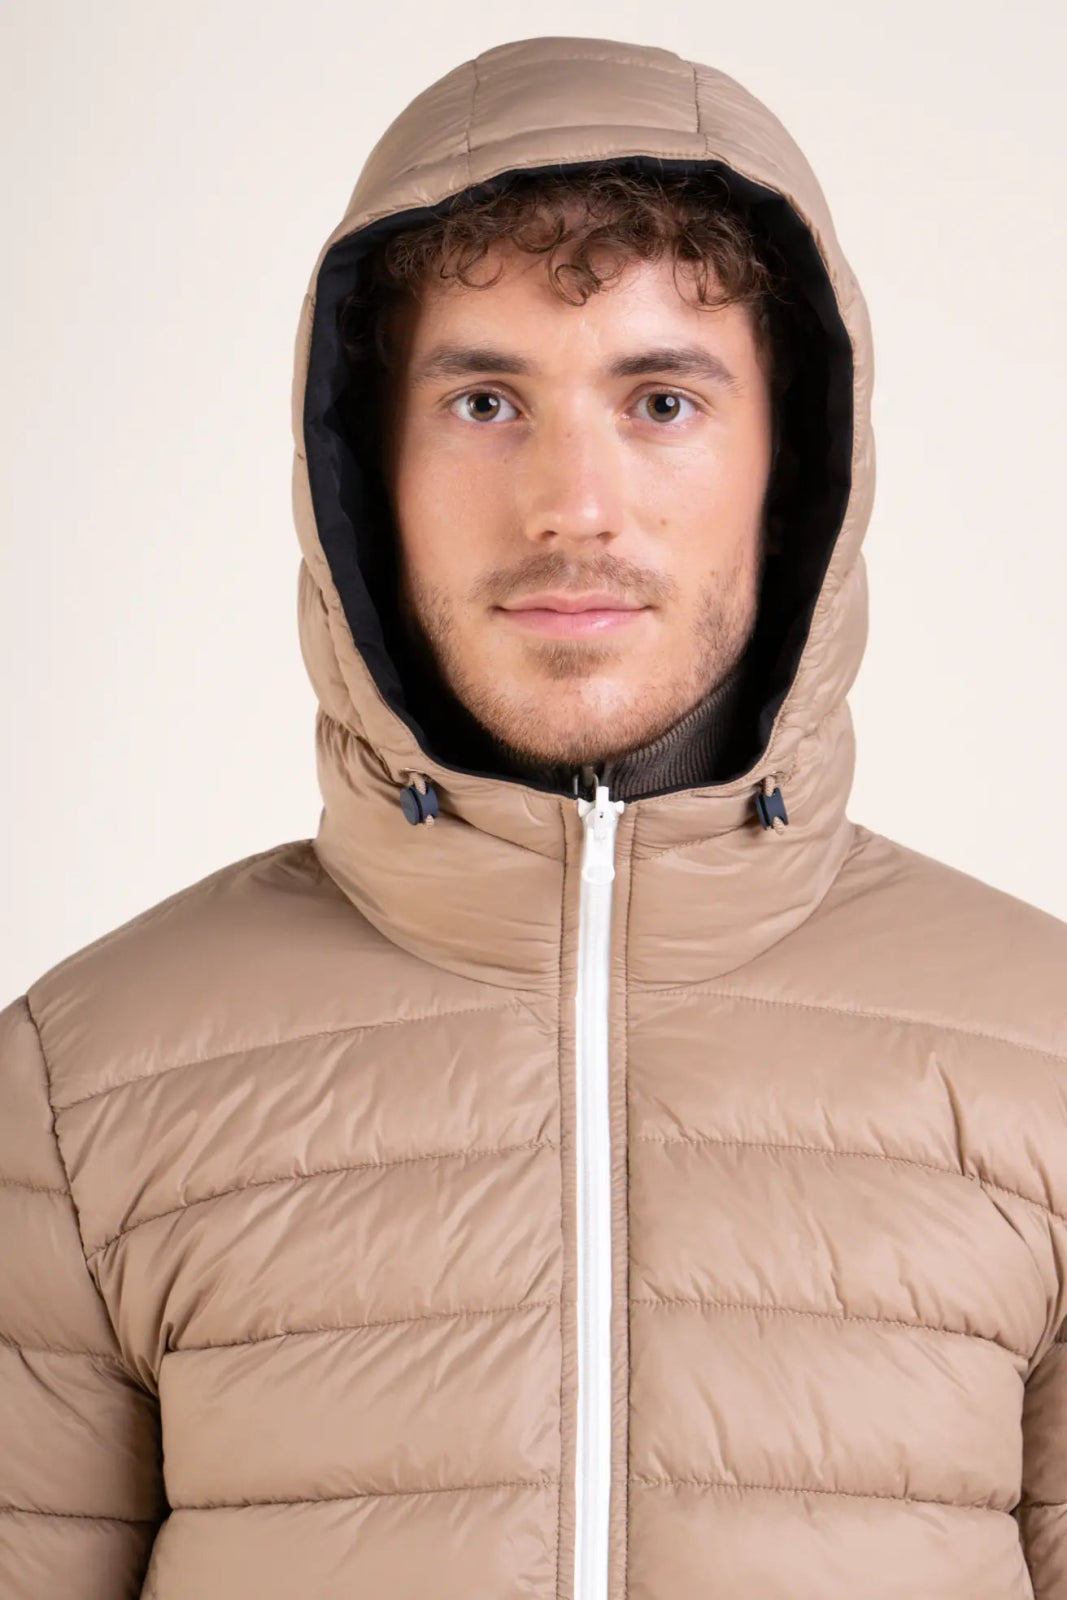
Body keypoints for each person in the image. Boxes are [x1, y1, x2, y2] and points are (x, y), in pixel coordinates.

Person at [1, 32, 1065, 1600]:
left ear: (794, 468)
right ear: (365, 467)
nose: (573, 502)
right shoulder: (73, 1097)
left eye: (662, 399)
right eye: (488, 399)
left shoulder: (1050, 1058)